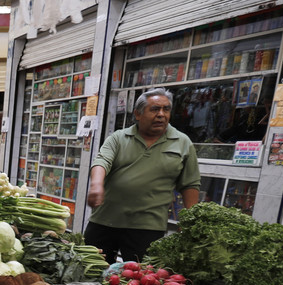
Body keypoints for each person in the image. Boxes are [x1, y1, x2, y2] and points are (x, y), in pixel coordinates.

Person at [85, 87, 200, 264]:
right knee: (89, 270)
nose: (161, 114)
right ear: (138, 114)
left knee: (139, 280)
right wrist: (96, 185)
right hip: (105, 220)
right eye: (155, 109)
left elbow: (190, 183)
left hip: (148, 226)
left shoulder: (183, 143)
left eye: (166, 109)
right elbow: (102, 161)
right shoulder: (119, 138)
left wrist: (189, 223)